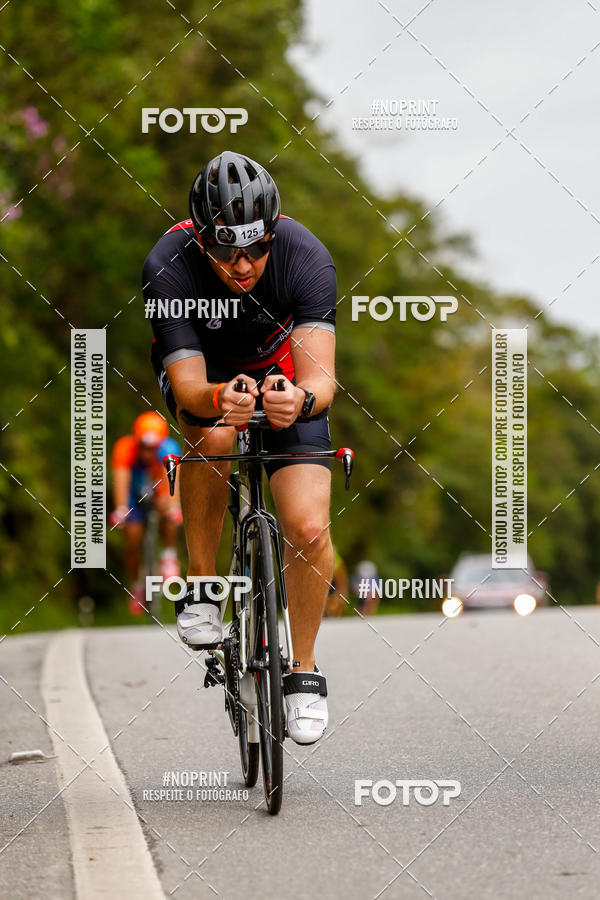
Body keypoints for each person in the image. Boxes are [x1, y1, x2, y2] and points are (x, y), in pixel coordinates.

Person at [143, 150, 336, 744]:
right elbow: (188, 389)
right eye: (226, 250)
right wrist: (224, 396)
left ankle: (302, 668)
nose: (244, 263)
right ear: (201, 240)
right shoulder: (168, 265)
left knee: (307, 528)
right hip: (209, 379)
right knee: (219, 431)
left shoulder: (305, 257)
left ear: (273, 232)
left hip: (282, 379)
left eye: (256, 247)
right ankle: (203, 584)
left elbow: (321, 381)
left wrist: (298, 403)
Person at [110, 411, 182, 615]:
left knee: (171, 512)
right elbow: (121, 482)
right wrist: (121, 509)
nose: (148, 453)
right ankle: (137, 586)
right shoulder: (125, 449)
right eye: (144, 447)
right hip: (134, 496)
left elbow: (173, 488)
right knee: (132, 538)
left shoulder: (169, 449)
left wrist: (173, 507)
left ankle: (168, 555)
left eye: (153, 448)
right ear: (136, 441)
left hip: (159, 493)